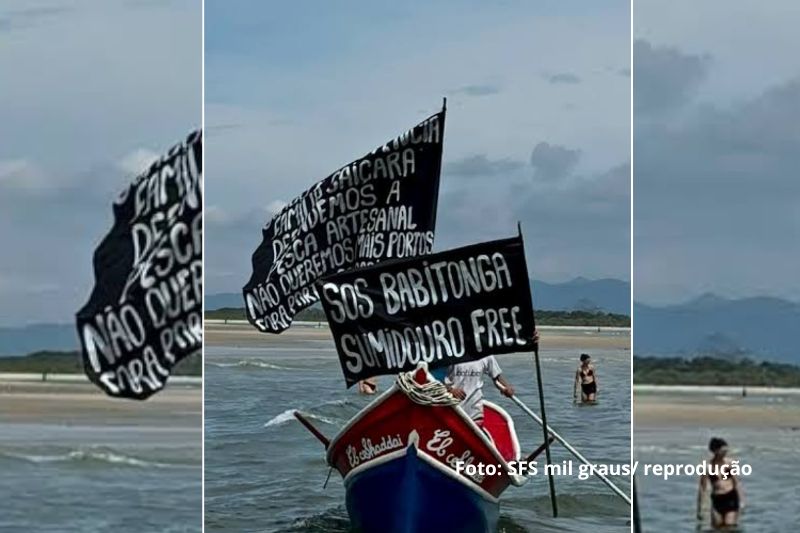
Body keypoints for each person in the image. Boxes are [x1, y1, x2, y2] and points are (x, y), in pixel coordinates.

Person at [445, 355, 515, 425]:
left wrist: (506, 387)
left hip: (475, 410)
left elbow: (496, 377)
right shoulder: (450, 353)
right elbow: (435, 380)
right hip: (452, 409)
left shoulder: (486, 355)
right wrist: (451, 390)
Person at [697, 437, 744, 529]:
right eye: (723, 450)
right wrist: (699, 509)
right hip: (716, 500)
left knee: (729, 527)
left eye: (726, 450)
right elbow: (702, 488)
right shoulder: (707, 466)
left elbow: (736, 483)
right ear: (715, 451)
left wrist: (741, 501)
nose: (725, 452)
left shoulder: (730, 463)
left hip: (730, 498)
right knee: (716, 528)